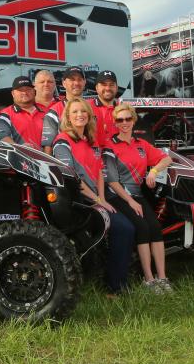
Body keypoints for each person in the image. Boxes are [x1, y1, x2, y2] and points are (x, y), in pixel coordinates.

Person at [52, 99, 134, 297]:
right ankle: (115, 287)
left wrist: (102, 198)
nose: (80, 115)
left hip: (95, 199)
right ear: (68, 117)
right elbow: (72, 178)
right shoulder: (62, 141)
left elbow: (99, 173)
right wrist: (97, 201)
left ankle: (118, 281)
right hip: (77, 201)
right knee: (124, 228)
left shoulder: (92, 141)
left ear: (89, 115)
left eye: (83, 111)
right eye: (75, 112)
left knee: (126, 227)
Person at [102, 103, 174, 293]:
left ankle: (163, 278)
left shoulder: (141, 144)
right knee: (141, 228)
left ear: (133, 120)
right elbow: (112, 181)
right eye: (120, 120)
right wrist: (130, 201)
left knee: (156, 228)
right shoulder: (109, 146)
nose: (124, 123)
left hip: (137, 194)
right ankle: (149, 280)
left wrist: (154, 171)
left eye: (128, 119)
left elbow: (167, 159)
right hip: (117, 196)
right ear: (115, 123)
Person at [41, 66, 87, 154]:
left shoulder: (91, 109)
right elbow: (48, 149)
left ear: (84, 82)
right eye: (72, 79)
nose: (76, 83)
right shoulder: (53, 113)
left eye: (79, 79)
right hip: (66, 164)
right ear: (64, 83)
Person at [0, 76, 45, 148]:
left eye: (28, 89)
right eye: (20, 90)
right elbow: (2, 137)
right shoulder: (4, 115)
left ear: (34, 91)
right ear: (13, 93)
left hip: (47, 158)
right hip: (19, 158)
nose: (24, 92)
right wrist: (19, 148)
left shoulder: (47, 112)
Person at [91, 70, 121, 148]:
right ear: (96, 87)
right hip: (94, 157)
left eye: (111, 85)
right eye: (103, 85)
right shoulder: (86, 107)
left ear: (117, 88)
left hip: (118, 156)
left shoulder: (123, 109)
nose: (107, 88)